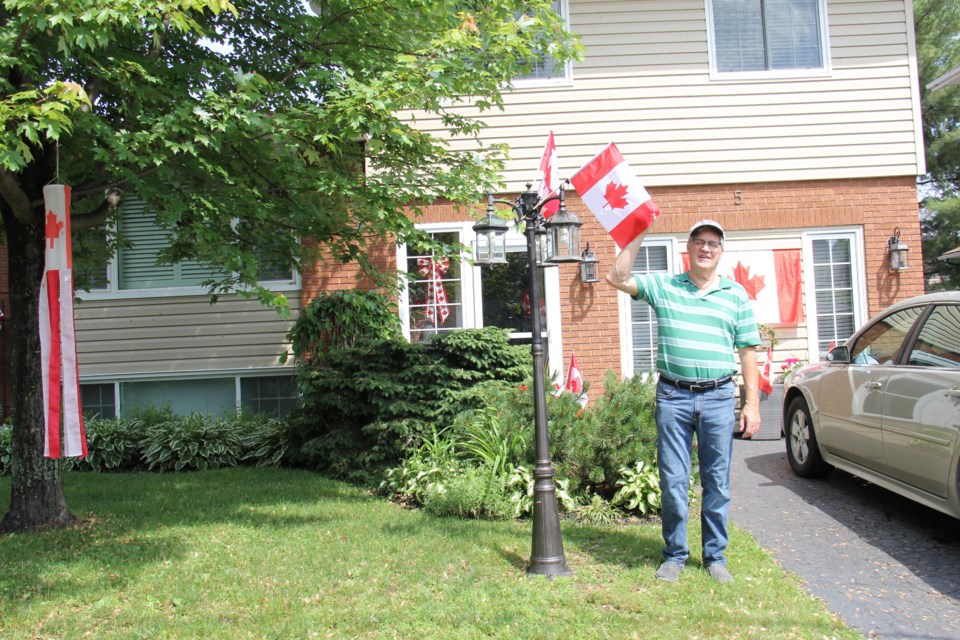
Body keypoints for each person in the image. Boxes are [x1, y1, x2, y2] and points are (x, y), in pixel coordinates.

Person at [605, 219, 761, 583]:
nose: (706, 248)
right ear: (688, 248)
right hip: (673, 396)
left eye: (713, 243)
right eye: (699, 242)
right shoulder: (664, 286)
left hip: (720, 396)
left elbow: (749, 351)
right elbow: (617, 277)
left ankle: (715, 557)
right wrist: (638, 232)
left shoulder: (735, 295)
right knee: (674, 481)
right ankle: (674, 555)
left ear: (721, 252)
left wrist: (751, 404)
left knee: (716, 481)